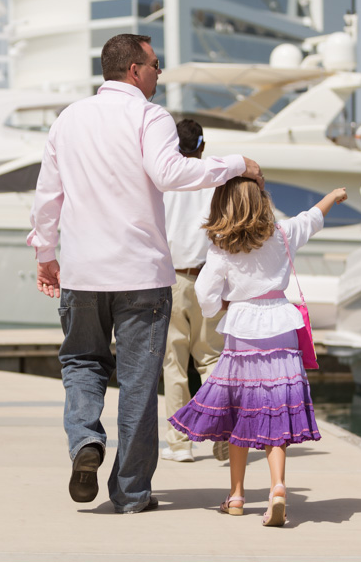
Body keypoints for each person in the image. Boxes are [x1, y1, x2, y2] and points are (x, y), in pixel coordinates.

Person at [27, 34, 263, 514]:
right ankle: (131, 493)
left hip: (82, 273)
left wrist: (44, 253)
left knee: (81, 364)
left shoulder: (68, 119)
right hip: (142, 274)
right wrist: (238, 164)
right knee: (138, 381)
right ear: (134, 69)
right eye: (156, 64)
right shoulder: (149, 116)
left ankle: (85, 445)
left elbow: (48, 194)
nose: (159, 73)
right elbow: (170, 173)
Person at [168, 177, 348, 526]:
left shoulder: (221, 247)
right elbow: (313, 217)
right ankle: (278, 487)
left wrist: (220, 306)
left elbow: (206, 296)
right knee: (275, 411)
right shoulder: (283, 234)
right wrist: (332, 195)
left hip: (243, 330)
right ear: (263, 201)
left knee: (239, 412)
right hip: (282, 326)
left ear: (224, 205)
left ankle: (236, 496)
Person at [161, 118, 229, 464]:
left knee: (174, 361)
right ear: (202, 145)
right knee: (211, 359)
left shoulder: (164, 179)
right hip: (209, 278)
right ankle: (222, 438)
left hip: (170, 279)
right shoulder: (213, 180)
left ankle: (180, 443)